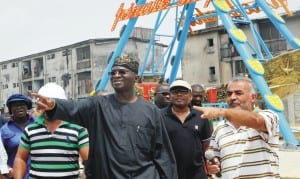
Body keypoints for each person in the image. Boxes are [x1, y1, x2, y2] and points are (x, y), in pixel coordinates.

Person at [32, 55, 177, 179]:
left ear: (136, 78)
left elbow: (163, 154)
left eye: (122, 72)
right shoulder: (98, 106)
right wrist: (54, 106)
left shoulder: (151, 111)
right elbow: (74, 107)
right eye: (113, 73)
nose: (116, 75)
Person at [194, 77, 280, 178]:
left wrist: (222, 112)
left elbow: (256, 121)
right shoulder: (220, 128)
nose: (232, 97)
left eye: (238, 93)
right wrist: (213, 165)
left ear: (253, 97)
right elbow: (215, 158)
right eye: (229, 94)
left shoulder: (268, 116)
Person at [13, 83, 89, 179]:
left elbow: (88, 161)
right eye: (41, 103)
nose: (45, 107)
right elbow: (20, 158)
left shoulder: (78, 130)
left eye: (48, 103)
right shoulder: (30, 130)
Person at [161, 80, 211, 179]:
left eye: (183, 91)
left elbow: (206, 145)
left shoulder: (201, 116)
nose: (179, 94)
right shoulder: (159, 116)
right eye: (175, 91)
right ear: (170, 96)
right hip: (168, 173)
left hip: (196, 174)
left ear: (190, 96)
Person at [0, 94, 35, 179]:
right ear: (10, 110)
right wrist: (6, 169)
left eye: (22, 104)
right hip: (16, 176)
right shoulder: (4, 130)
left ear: (27, 107)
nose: (19, 107)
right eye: (15, 105)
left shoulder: (38, 125)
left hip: (38, 174)